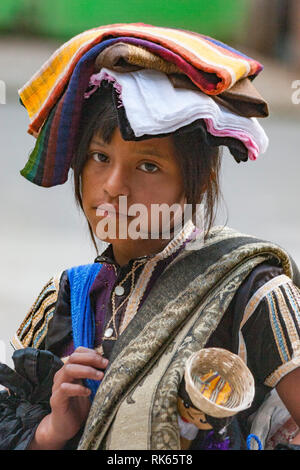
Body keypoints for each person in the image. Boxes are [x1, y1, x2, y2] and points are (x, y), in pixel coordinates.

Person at [1, 23, 300, 451]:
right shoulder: (64, 299)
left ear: (198, 182)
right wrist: (51, 432)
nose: (113, 186)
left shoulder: (253, 291)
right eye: (99, 157)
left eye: (148, 166)